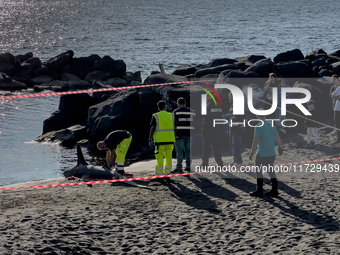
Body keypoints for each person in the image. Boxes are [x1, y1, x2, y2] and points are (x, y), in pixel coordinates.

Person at [249, 111, 283, 197]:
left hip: (262, 153)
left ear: (257, 116)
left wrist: (252, 152)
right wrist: (280, 147)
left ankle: (259, 190)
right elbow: (277, 136)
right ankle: (275, 189)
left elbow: (256, 140)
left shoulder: (258, 126)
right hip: (271, 152)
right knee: (271, 171)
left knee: (259, 172)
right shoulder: (271, 124)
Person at [149, 100, 175, 175]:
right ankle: (167, 172)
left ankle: (159, 173)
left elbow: (152, 128)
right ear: (165, 107)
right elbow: (175, 127)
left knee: (159, 158)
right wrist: (175, 136)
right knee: (169, 157)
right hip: (170, 140)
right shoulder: (171, 115)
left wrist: (150, 139)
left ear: (158, 108)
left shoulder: (156, 115)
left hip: (160, 141)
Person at [171, 97, 195, 173]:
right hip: (190, 133)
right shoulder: (192, 111)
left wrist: (175, 134)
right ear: (185, 103)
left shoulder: (175, 112)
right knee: (188, 151)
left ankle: (179, 168)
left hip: (179, 134)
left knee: (180, 152)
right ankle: (188, 166)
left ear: (178, 104)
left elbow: (173, 124)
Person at [201, 96, 224, 167]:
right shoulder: (219, 105)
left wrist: (203, 130)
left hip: (209, 130)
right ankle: (220, 163)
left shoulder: (208, 105)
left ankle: (205, 163)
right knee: (216, 147)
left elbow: (206, 119)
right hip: (217, 130)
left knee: (206, 148)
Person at [228, 92, 244, 168]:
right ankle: (235, 160)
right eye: (230, 97)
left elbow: (243, 115)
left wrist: (242, 124)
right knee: (232, 144)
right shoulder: (231, 105)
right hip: (231, 127)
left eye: (231, 96)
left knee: (236, 145)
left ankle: (239, 162)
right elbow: (231, 116)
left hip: (237, 127)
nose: (230, 98)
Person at [331, 74, 340, 143]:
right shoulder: (338, 88)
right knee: (337, 125)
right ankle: (338, 139)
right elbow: (332, 95)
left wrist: (337, 96)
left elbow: (336, 96)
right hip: (337, 109)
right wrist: (337, 96)